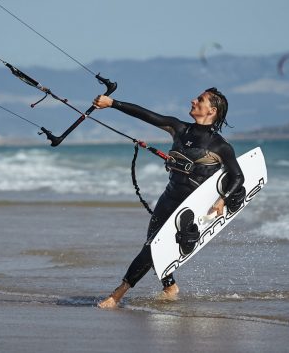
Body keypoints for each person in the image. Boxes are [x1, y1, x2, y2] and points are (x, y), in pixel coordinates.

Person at [92, 87, 245, 309]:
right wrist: (112, 103)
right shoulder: (179, 128)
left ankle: (116, 296)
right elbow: (146, 115)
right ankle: (170, 286)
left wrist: (223, 199)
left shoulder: (220, 146)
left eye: (199, 99)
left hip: (188, 208)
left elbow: (237, 177)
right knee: (153, 244)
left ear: (211, 110)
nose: (193, 100)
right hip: (168, 197)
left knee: (152, 248)